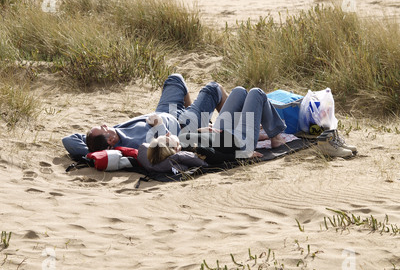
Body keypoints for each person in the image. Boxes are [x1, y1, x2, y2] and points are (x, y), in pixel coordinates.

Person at [62, 74, 228, 160]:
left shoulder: (108, 138)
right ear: (110, 140)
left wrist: (92, 151)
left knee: (175, 79)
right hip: (182, 126)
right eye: (104, 128)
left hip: (165, 110)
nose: (105, 124)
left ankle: (201, 118)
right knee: (214, 89)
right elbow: (166, 145)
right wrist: (160, 125)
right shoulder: (135, 145)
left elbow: (68, 140)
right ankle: (236, 130)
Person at [144, 85, 287, 168]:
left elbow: (195, 137)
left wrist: (201, 131)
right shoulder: (195, 150)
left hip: (221, 131)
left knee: (239, 91)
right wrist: (243, 155)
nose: (167, 134)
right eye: (166, 138)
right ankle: (276, 136)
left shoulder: (181, 139)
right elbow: (218, 156)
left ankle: (262, 129)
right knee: (257, 93)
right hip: (240, 142)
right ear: (175, 149)